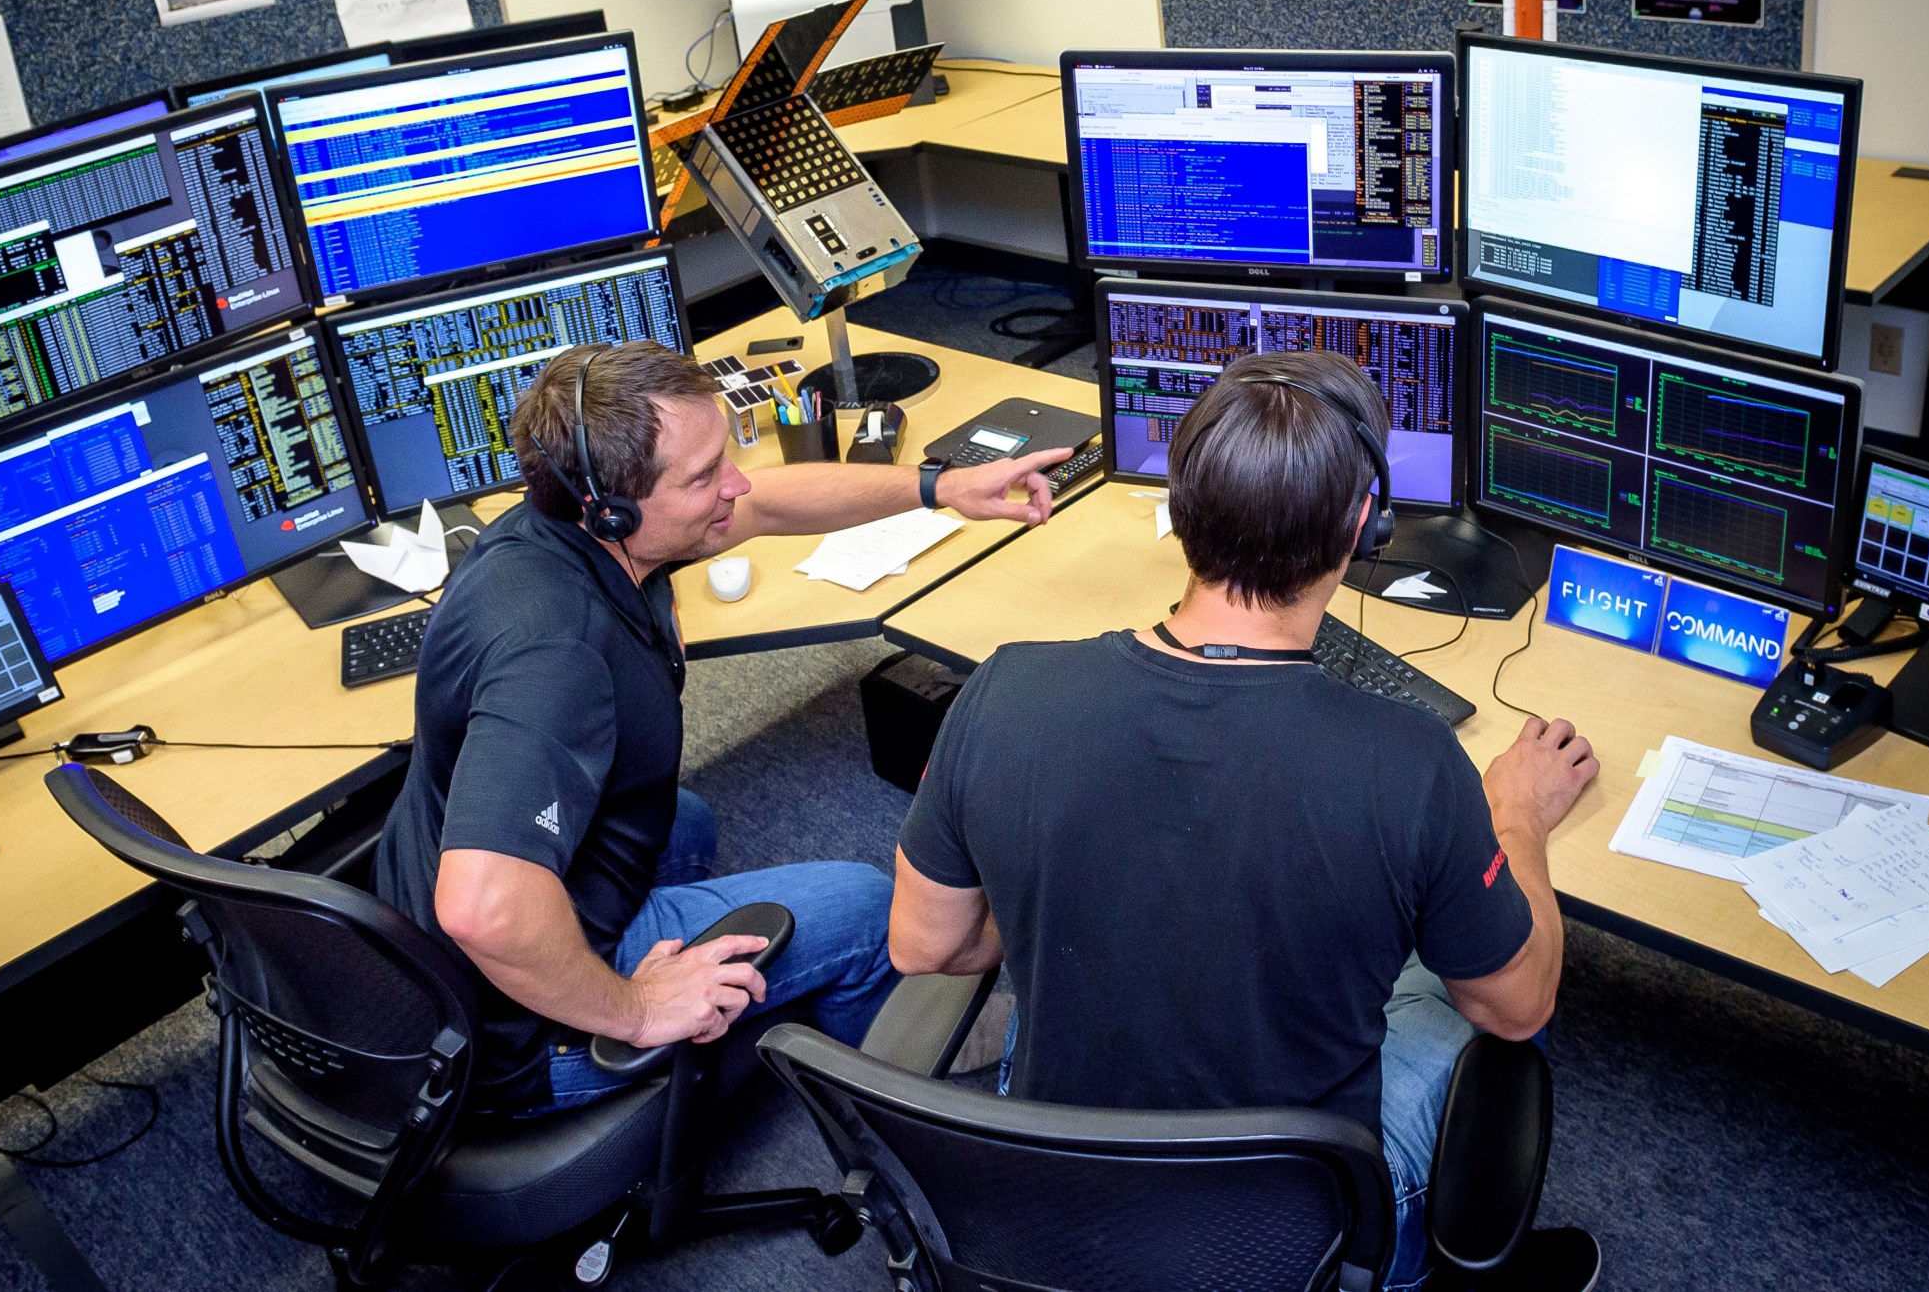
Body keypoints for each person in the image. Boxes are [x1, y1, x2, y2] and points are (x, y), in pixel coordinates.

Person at [889, 351, 1600, 1291]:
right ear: (1364, 525)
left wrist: (1073, 896)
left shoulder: (1003, 688)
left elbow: (924, 944)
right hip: (1291, 1242)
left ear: (1182, 511)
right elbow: (1519, 1005)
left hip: (1052, 1208)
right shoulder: (1411, 764)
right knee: (1481, 975)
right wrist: (1516, 825)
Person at [375, 339, 1071, 1118]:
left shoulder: (557, 529)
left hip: (423, 944)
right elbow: (481, 908)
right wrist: (635, 1009)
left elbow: (768, 501)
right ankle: (889, 1076)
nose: (732, 486)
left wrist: (941, 485)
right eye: (704, 475)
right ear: (611, 506)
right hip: (513, 1034)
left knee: (685, 822)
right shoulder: (558, 653)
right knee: (873, 908)